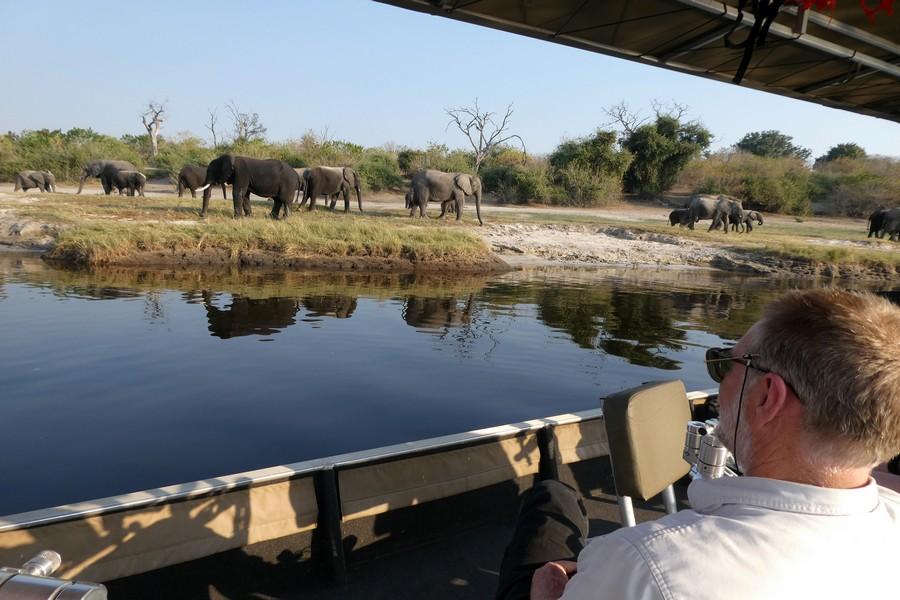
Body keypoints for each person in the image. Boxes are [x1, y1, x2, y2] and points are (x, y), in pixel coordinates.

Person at [496, 289, 900, 600]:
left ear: (767, 397)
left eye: (727, 363)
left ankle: (550, 484)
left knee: (548, 512)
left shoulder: (642, 565)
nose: (719, 381)